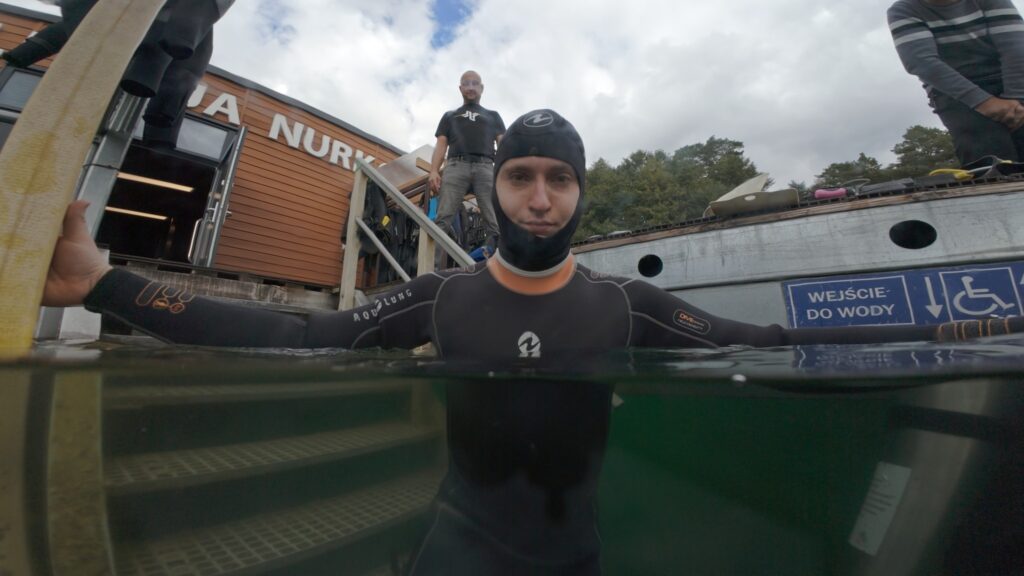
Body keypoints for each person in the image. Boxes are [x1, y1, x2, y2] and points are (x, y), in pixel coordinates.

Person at [42, 109, 1022, 574]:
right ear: (496, 189)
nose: (541, 197)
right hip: (455, 546)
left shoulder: (627, 309)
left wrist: (974, 330)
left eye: (559, 178)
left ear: (580, 192)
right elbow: (302, 334)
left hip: (574, 554)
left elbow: (775, 345)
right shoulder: (439, 300)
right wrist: (107, 286)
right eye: (522, 177)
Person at [888, 0, 1024, 166]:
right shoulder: (904, 10)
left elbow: (1015, 49)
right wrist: (984, 103)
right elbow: (922, 62)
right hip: (954, 91)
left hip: (1012, 78)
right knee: (987, 152)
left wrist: (1016, 99)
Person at [428, 70, 505, 252]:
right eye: (466, 83)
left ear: (482, 88)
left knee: (494, 221)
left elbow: (503, 144)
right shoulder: (449, 116)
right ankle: (432, 266)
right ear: (460, 88)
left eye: (475, 83)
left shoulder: (493, 116)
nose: (471, 87)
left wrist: (506, 172)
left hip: (486, 167)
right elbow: (441, 144)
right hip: (455, 166)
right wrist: (433, 170)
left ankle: (499, 263)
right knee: (442, 219)